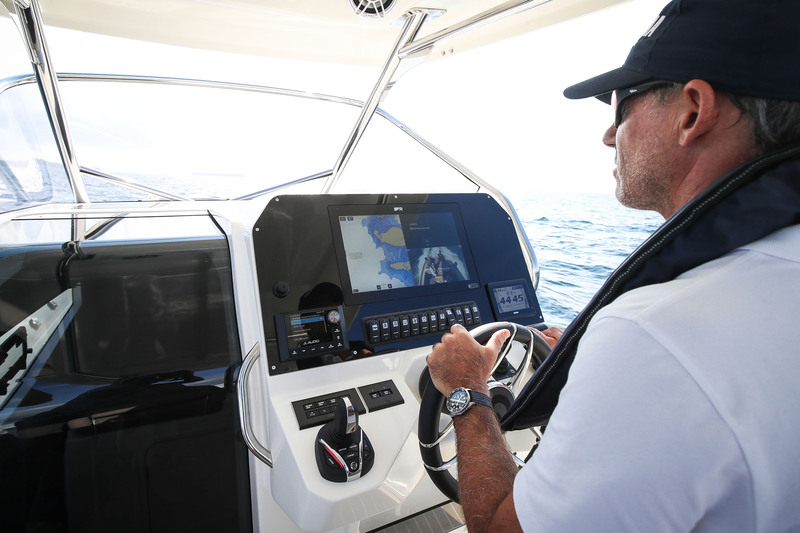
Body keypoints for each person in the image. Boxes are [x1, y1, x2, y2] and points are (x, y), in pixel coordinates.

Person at [425, 0, 800, 531]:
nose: (608, 135)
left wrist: (466, 389)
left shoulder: (653, 336)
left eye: (621, 106)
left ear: (692, 112)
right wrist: (594, 378)